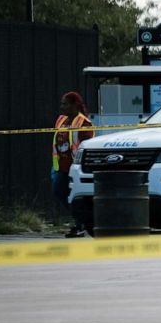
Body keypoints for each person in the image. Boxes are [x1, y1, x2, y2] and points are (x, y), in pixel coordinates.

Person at [53, 91, 93, 237]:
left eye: (65, 104)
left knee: (72, 196)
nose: (62, 107)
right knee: (59, 192)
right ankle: (80, 222)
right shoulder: (61, 120)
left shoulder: (83, 122)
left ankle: (80, 224)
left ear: (74, 105)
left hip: (74, 167)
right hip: (60, 166)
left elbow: (85, 145)